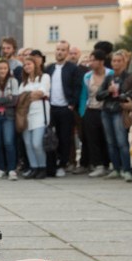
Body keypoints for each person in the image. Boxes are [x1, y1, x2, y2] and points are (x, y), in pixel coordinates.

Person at [44, 41, 82, 178]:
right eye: (58, 49)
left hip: (66, 108)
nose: (60, 52)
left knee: (65, 138)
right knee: (50, 138)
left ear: (67, 53)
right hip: (51, 108)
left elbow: (78, 87)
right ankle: (51, 165)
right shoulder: (49, 68)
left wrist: (72, 104)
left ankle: (62, 164)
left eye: (63, 50)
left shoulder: (73, 69)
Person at [96, 51, 132, 182]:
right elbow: (98, 95)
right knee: (111, 142)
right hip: (106, 111)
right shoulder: (108, 77)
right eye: (114, 61)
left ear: (124, 62)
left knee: (122, 141)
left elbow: (129, 94)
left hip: (119, 111)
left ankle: (127, 170)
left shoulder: (129, 77)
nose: (116, 63)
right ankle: (116, 169)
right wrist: (108, 92)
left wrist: (118, 93)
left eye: (119, 61)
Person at [78, 50, 112, 178]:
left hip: (106, 109)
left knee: (106, 138)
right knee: (92, 139)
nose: (90, 63)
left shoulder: (110, 74)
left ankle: (107, 163)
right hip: (91, 109)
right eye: (89, 60)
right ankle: (97, 165)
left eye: (93, 60)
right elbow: (83, 95)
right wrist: (82, 112)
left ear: (101, 61)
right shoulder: (87, 76)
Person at [19, 57, 51, 179]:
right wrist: (30, 95)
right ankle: (34, 167)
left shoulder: (44, 77)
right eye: (25, 65)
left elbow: (41, 92)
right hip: (26, 115)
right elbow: (20, 98)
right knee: (28, 143)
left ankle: (42, 167)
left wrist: (26, 96)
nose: (27, 66)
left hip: (40, 114)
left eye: (29, 64)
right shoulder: (23, 83)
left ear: (35, 65)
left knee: (37, 143)